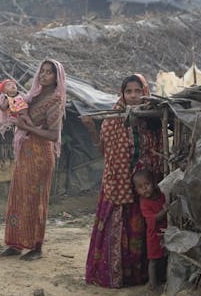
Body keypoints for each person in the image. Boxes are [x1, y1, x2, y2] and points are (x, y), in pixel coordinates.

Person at [83, 74, 165, 288]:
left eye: (138, 91)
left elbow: (159, 149)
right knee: (117, 227)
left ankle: (142, 275)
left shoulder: (153, 118)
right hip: (118, 182)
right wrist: (92, 129)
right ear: (122, 93)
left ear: (145, 92)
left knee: (144, 228)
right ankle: (115, 275)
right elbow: (103, 150)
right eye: (129, 91)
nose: (133, 95)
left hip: (144, 185)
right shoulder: (113, 118)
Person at [0, 60, 67, 261]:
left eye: (49, 73)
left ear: (57, 78)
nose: (43, 75)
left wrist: (26, 128)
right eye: (42, 71)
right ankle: (15, 243)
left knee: (34, 201)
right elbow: (16, 106)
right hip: (25, 152)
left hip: (40, 155)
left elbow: (54, 135)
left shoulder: (56, 100)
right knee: (18, 197)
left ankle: (36, 247)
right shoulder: (33, 95)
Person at [134, 168, 168, 291]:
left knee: (164, 257)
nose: (144, 189)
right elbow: (154, 218)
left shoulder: (161, 195)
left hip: (165, 233)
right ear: (136, 190)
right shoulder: (144, 202)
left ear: (153, 183)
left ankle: (163, 279)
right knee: (154, 260)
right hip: (154, 236)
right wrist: (165, 210)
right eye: (140, 187)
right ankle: (153, 283)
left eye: (147, 184)